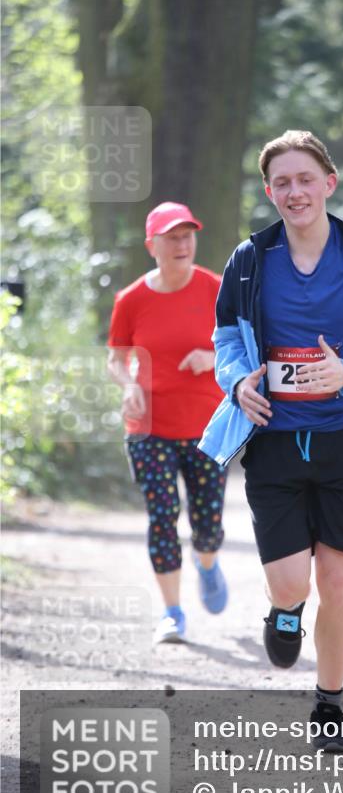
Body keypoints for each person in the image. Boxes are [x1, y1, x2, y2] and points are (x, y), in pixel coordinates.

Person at [199, 131, 343, 749]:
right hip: (273, 437)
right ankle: (284, 610)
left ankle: (329, 703)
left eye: (305, 179)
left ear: (329, 182)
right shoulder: (248, 261)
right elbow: (225, 341)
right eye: (281, 183)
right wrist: (238, 379)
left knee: (339, 580)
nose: (294, 192)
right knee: (294, 582)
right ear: (270, 192)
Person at [107, 202, 229, 645]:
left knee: (207, 523)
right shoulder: (131, 300)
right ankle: (173, 613)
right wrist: (127, 384)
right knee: (162, 517)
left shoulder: (218, 290)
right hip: (148, 425)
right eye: (171, 237)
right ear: (151, 246)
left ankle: (209, 562)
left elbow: (249, 351)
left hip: (208, 427)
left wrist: (213, 357)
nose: (182, 244)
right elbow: (116, 359)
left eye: (187, 235)